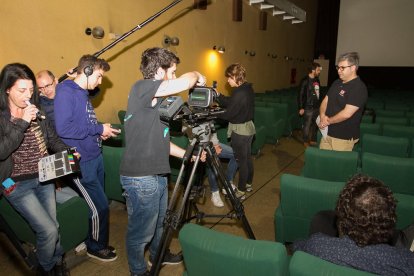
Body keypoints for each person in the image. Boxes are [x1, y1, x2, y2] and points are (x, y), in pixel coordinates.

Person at [119, 47, 207, 276]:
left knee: (160, 224)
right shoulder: (142, 87)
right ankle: (138, 271)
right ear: (159, 71)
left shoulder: (155, 103)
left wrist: (191, 155)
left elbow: (163, 143)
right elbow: (183, 84)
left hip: (156, 173)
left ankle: (159, 254)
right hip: (140, 177)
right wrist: (196, 74)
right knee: (141, 233)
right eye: (173, 71)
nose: (175, 76)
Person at [0, 63, 70, 275]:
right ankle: (45, 268)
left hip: (44, 176)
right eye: (22, 90)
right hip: (15, 183)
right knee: (48, 230)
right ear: (7, 89)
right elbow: (2, 151)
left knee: (54, 227)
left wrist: (68, 151)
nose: (28, 95)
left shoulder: (36, 111)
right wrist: (21, 122)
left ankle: (57, 263)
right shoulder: (2, 117)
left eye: (31, 90)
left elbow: (52, 139)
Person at [54, 55, 121, 262]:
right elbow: (64, 128)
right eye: (99, 76)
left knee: (93, 204)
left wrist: (99, 132)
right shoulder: (66, 91)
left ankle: (88, 237)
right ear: (88, 71)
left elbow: (83, 123)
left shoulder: (81, 93)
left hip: (94, 156)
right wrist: (98, 128)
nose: (100, 82)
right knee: (99, 206)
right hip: (81, 162)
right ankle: (95, 246)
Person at [293, 175, 414, 275]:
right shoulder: (405, 263)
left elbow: (297, 249)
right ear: (390, 222)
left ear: (341, 220)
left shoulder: (317, 245)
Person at [216, 63, 255, 200]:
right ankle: (249, 184)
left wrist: (213, 113)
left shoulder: (239, 92)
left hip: (240, 132)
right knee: (247, 158)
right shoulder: (247, 88)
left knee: (241, 161)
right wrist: (218, 96)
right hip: (249, 128)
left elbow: (228, 114)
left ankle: (241, 190)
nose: (227, 80)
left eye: (229, 78)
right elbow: (232, 102)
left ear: (235, 76)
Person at [318, 52, 368, 151]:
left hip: (343, 138)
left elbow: (347, 114)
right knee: (323, 163)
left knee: (337, 166)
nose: (339, 71)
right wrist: (322, 116)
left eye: (342, 68)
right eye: (338, 67)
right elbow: (325, 101)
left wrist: (327, 121)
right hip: (326, 132)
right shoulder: (337, 82)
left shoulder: (358, 87)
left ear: (353, 68)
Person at [297, 62, 322, 147]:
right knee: (307, 125)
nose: (319, 71)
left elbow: (318, 93)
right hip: (308, 107)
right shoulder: (305, 81)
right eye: (318, 70)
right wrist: (301, 107)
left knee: (316, 124)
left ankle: (313, 139)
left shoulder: (317, 80)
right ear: (313, 70)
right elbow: (300, 95)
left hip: (316, 107)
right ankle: (305, 140)